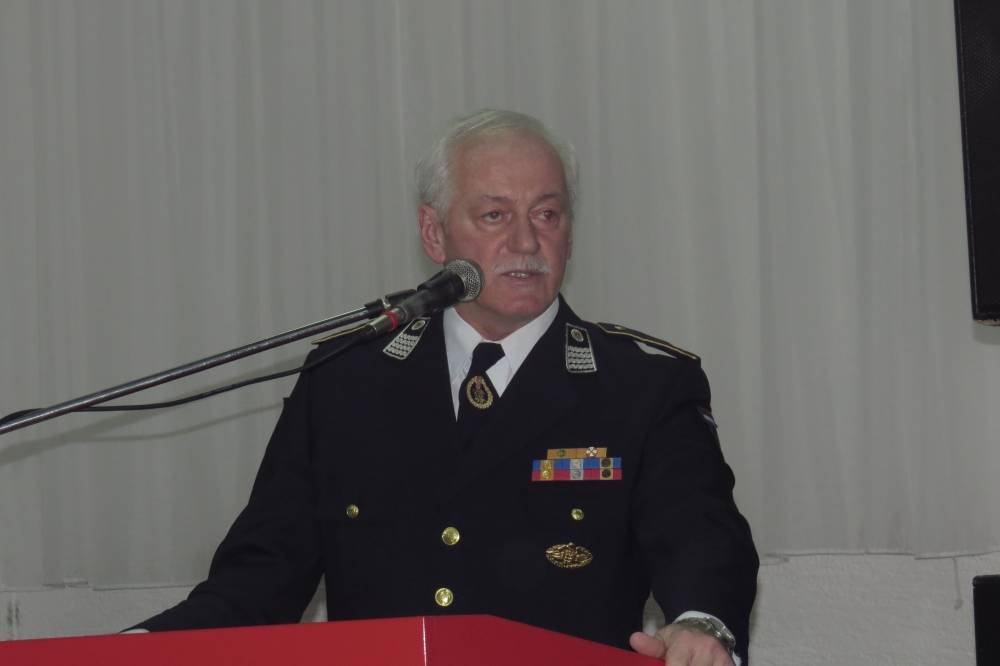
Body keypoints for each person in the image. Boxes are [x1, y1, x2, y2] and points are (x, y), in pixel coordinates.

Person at [134, 109, 758, 665]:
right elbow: (262, 575)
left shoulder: (641, 388)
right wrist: (140, 648)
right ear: (434, 234)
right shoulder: (345, 383)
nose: (526, 242)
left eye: (546, 214)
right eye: (495, 215)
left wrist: (703, 623)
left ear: (569, 232)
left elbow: (702, 539)